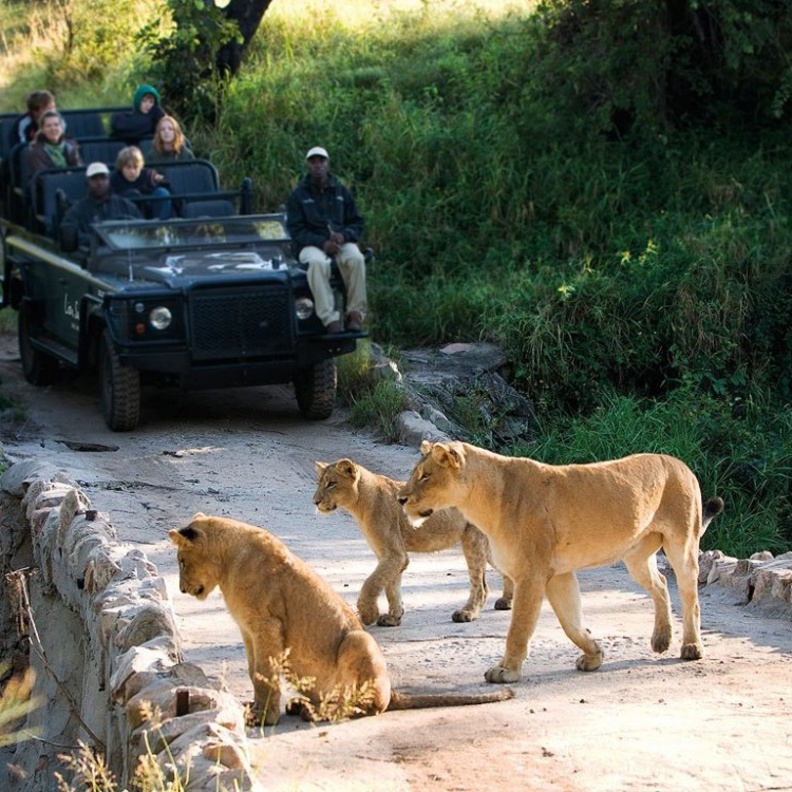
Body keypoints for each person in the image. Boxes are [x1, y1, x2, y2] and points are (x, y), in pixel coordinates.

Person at [285, 146, 367, 334]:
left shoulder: (341, 192)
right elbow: (296, 231)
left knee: (356, 259)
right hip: (311, 244)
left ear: (327, 164)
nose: (318, 165)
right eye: (313, 161)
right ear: (308, 165)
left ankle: (355, 315)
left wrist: (344, 235)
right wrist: (322, 243)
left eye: (321, 161)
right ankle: (330, 319)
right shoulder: (298, 196)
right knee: (316, 263)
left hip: (340, 242)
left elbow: (357, 222)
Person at [60, 162, 142, 250]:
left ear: (109, 180)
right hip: (94, 258)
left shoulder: (126, 206)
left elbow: (142, 230)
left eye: (103, 178)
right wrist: (99, 240)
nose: (99, 183)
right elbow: (70, 235)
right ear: (87, 182)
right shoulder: (77, 210)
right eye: (94, 179)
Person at [110, 145, 172, 220]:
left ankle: (160, 226)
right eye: (128, 167)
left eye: (135, 167)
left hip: (150, 215)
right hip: (126, 219)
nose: (132, 171)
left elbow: (169, 189)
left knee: (162, 192)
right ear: (121, 167)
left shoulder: (150, 176)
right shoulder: (114, 179)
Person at [27, 110, 83, 178]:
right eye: (48, 126)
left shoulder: (71, 146)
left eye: (56, 125)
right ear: (42, 129)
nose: (53, 128)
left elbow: (79, 170)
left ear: (62, 128)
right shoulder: (36, 151)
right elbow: (43, 179)